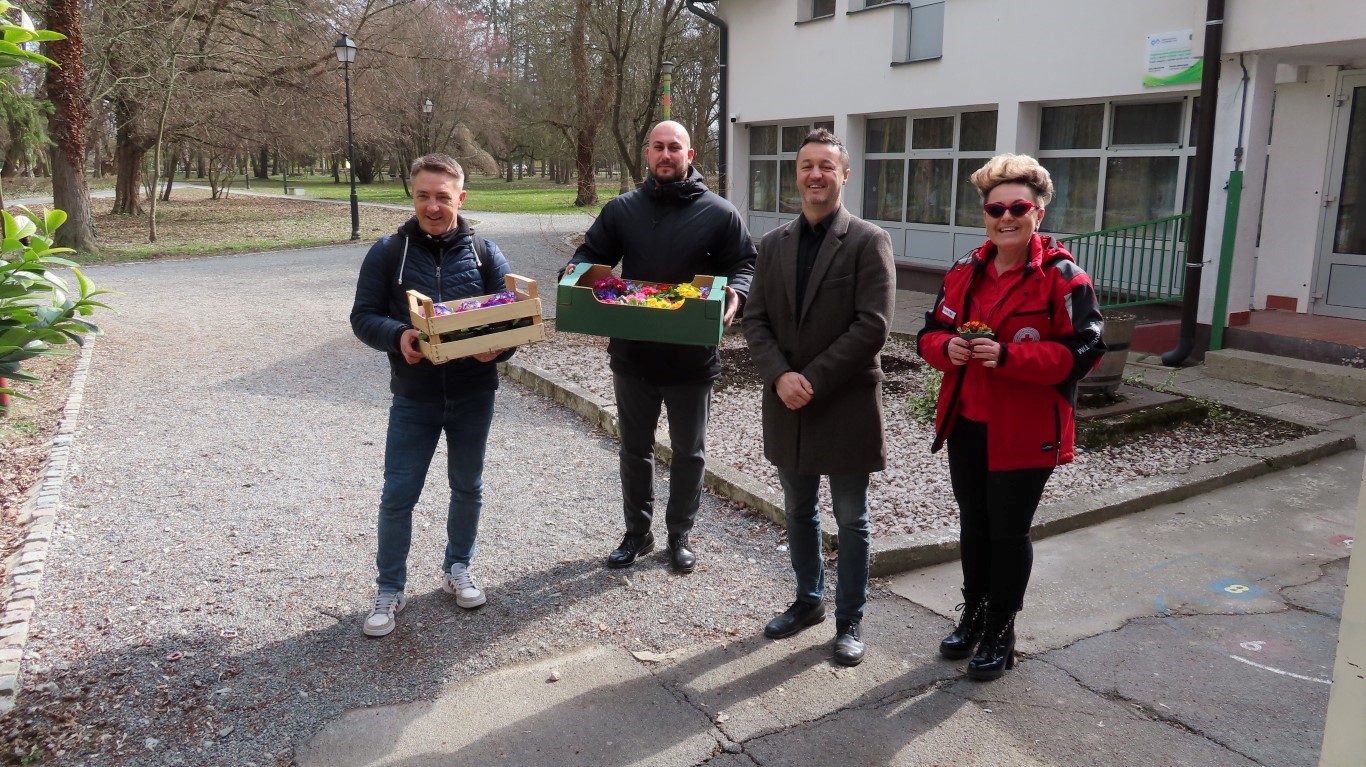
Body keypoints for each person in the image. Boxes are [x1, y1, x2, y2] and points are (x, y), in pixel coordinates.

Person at [917, 153, 1105, 679]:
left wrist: (1009, 356)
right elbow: (928, 332)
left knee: (1007, 530)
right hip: (967, 423)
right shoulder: (964, 271)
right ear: (985, 214)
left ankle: (1002, 628)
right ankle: (974, 614)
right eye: (995, 208)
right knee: (974, 525)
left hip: (1025, 429)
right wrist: (946, 348)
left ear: (1038, 213)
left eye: (1018, 208)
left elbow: (1086, 351)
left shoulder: (1064, 278)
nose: (1006, 217)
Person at [564, 120, 756, 573]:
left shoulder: (720, 213)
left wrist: (738, 294)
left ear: (690, 155)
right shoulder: (623, 209)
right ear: (647, 153)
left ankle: (679, 534)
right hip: (633, 353)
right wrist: (575, 271)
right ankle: (638, 533)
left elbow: (744, 263)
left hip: (692, 357)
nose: (666, 154)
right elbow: (592, 253)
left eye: (674, 147)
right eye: (658, 147)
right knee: (635, 450)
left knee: (689, 453)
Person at [742, 129, 895, 666]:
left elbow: (872, 325)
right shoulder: (773, 244)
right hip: (787, 403)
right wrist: (780, 376)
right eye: (807, 165)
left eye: (826, 166)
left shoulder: (868, 241)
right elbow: (755, 320)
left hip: (844, 402)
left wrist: (811, 379)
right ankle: (809, 600)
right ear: (797, 174)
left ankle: (850, 619)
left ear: (844, 175)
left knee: (851, 518)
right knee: (799, 510)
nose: (815, 175)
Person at [350, 154, 516, 637]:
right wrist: (398, 335)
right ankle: (389, 588)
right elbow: (362, 315)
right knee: (398, 495)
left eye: (443, 197)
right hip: (414, 397)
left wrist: (498, 349)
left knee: (468, 487)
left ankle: (457, 568)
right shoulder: (389, 251)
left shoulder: (485, 253)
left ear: (461, 198)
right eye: (423, 196)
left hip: (473, 394)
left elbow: (510, 317)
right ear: (413, 196)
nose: (433, 206)